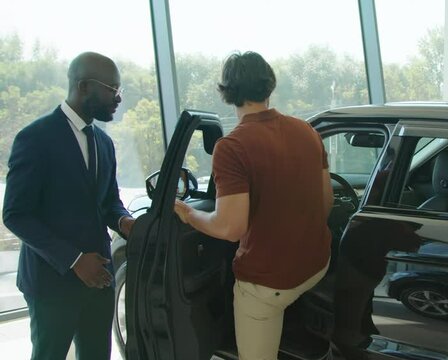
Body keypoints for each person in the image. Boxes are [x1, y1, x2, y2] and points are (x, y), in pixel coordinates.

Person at [174, 51, 333, 360]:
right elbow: (325, 204)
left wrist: (190, 214)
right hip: (316, 265)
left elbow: (230, 228)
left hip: (268, 284)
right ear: (269, 85)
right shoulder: (308, 132)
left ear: (227, 92)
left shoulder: (231, 147)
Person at [3, 52, 135, 360]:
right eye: (113, 89)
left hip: (100, 281)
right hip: (52, 285)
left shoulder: (104, 143)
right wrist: (74, 260)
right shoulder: (35, 138)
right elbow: (16, 214)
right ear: (85, 86)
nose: (118, 99)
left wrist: (125, 222)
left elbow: (108, 202)